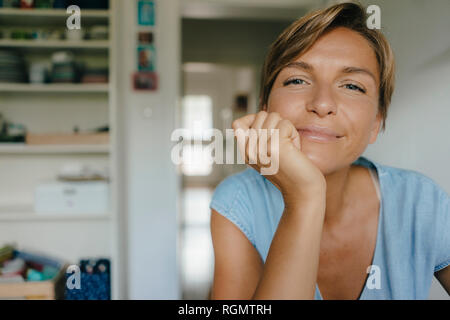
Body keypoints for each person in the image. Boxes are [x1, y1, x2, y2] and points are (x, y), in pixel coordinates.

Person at [209, 2, 450, 300]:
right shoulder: (237, 201)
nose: (322, 104)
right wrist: (305, 198)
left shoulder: (423, 203)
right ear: (264, 107)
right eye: (297, 80)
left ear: (376, 122)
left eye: (352, 86)